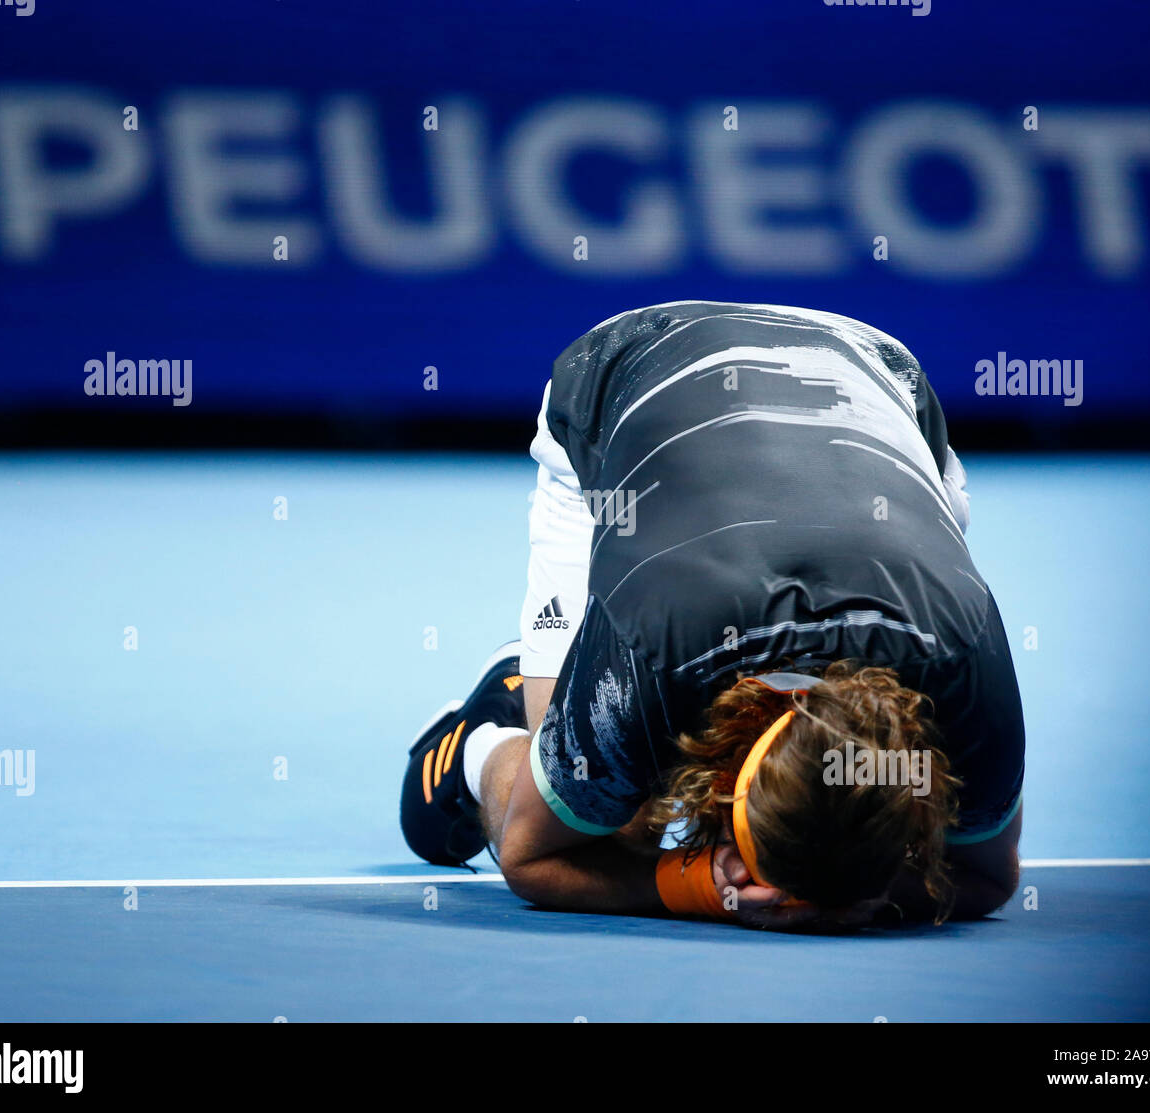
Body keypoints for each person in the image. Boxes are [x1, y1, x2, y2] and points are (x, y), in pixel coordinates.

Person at [400, 301, 1024, 930]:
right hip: (627, 367)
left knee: (617, 777)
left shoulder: (965, 664)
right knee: (619, 822)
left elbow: (989, 878)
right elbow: (532, 855)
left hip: (876, 374)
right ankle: (478, 739)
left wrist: (805, 895)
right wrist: (704, 888)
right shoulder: (653, 648)